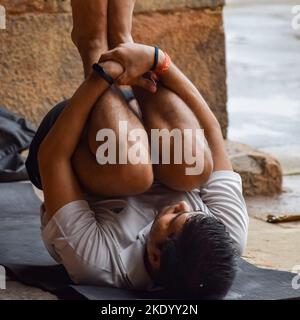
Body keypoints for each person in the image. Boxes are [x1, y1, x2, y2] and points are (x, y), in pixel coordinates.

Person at [25, 0, 248, 299]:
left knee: (131, 171)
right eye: (196, 215)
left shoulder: (100, 263)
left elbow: (52, 157)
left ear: (155, 257)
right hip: (142, 128)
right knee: (190, 164)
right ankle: (123, 41)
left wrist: (101, 71)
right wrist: (160, 62)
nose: (184, 207)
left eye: (176, 220)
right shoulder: (227, 237)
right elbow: (211, 134)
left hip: (72, 137)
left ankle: (91, 43)